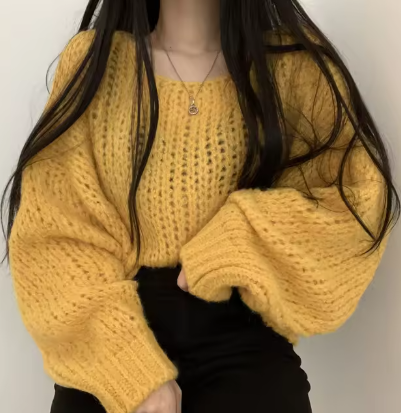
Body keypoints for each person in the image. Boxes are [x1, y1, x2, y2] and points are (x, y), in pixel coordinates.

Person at [1, 0, 399, 412]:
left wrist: (235, 244)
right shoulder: (96, 66)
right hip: (110, 347)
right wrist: (130, 371)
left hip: (246, 350)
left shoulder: (292, 70)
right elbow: (53, 238)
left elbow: (357, 204)